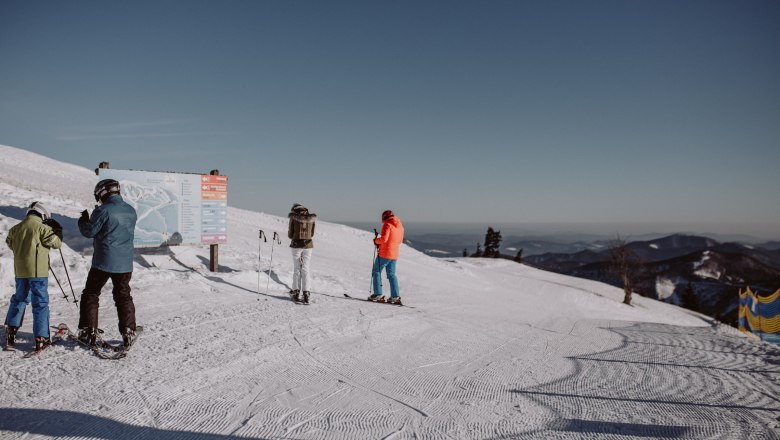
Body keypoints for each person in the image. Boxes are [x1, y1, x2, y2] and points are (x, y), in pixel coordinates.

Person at [77, 179, 138, 347]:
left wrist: (83, 221)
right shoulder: (131, 210)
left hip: (103, 262)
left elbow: (90, 231)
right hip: (125, 263)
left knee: (91, 293)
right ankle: (128, 331)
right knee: (123, 295)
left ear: (102, 193)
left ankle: (88, 331)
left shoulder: (103, 210)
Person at [4, 202, 63, 351]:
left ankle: (11, 330)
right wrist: (57, 231)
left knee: (19, 298)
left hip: (21, 271)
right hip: (38, 272)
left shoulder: (15, 229)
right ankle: (41, 337)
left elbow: (10, 244)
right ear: (43, 215)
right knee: (40, 303)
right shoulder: (42, 228)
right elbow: (56, 244)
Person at [369, 210, 404, 305]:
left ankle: (378, 294)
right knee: (391, 275)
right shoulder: (400, 226)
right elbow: (400, 240)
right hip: (394, 254)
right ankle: (395, 296)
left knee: (376, 271)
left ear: (384, 217)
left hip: (385, 254)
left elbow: (384, 239)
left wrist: (376, 241)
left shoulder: (387, 225)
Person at [287, 203, 317, 304]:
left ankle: (295, 292)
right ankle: (306, 294)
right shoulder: (311, 218)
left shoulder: (293, 218)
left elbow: (290, 234)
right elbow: (312, 234)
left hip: (296, 245)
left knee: (297, 268)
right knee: (305, 269)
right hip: (308, 245)